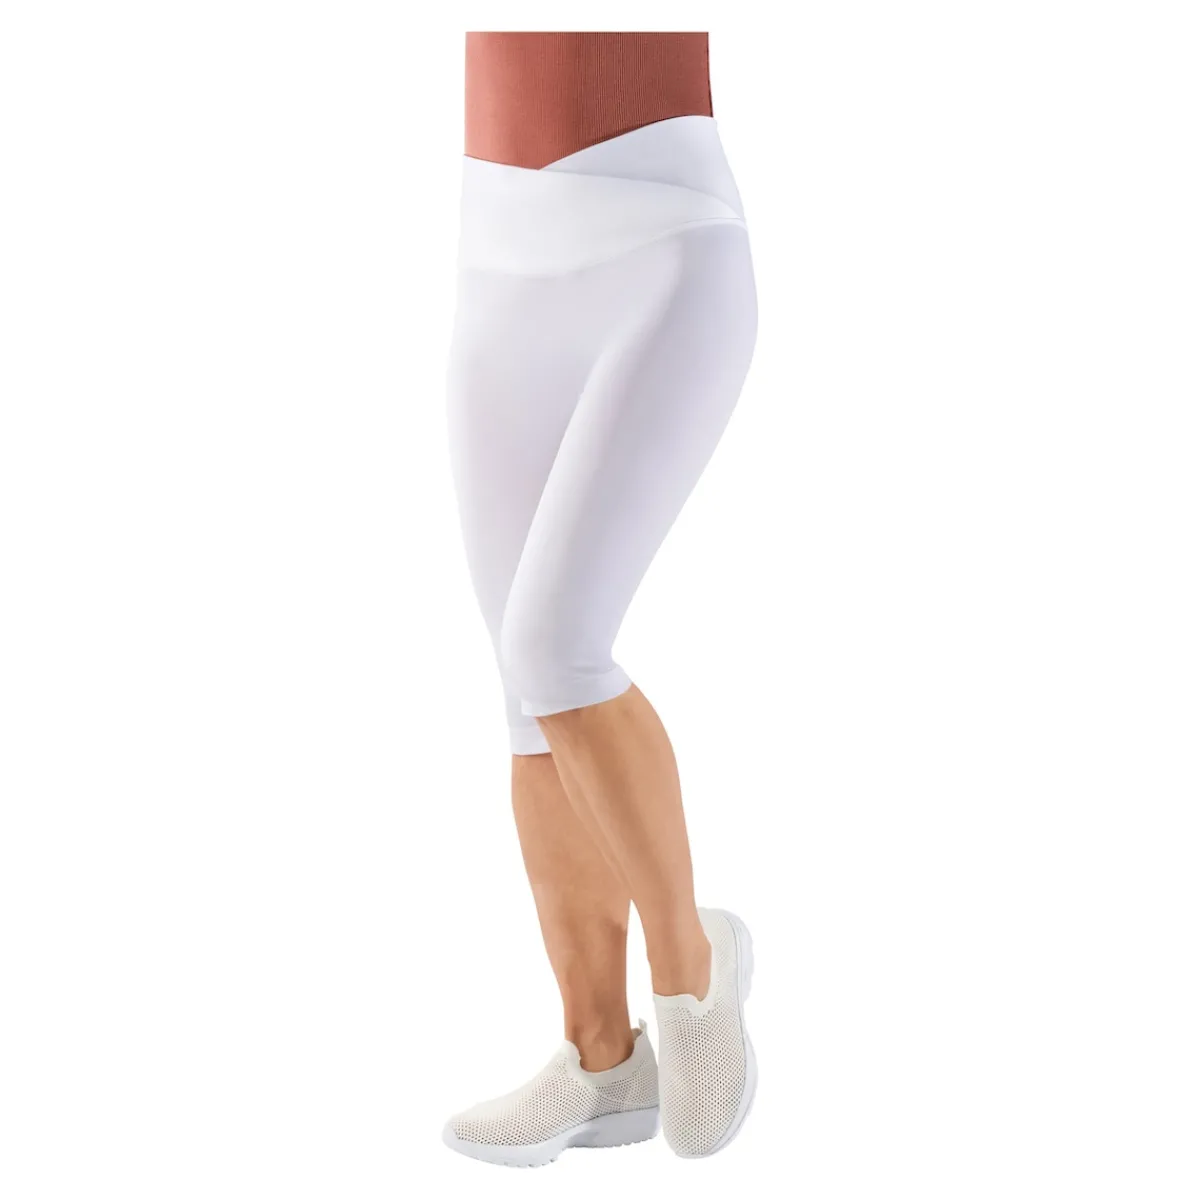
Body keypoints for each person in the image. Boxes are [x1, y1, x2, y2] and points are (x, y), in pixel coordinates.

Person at [442, 32, 758, 1166]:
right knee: (525, 696)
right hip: (497, 266)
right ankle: (603, 1058)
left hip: (663, 250)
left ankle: (693, 975)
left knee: (556, 647)